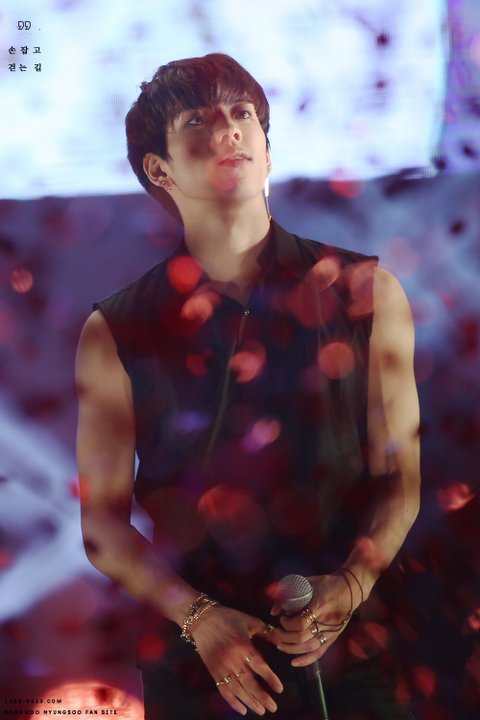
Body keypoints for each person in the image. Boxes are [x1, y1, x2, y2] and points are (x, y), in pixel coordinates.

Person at [75, 53, 420, 719]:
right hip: (197, 664)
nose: (230, 129)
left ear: (266, 148)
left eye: (242, 114)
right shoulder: (117, 328)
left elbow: (400, 477)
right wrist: (199, 619)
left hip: (351, 651)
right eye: (198, 120)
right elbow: (103, 526)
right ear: (159, 169)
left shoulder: (368, 292)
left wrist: (353, 583)